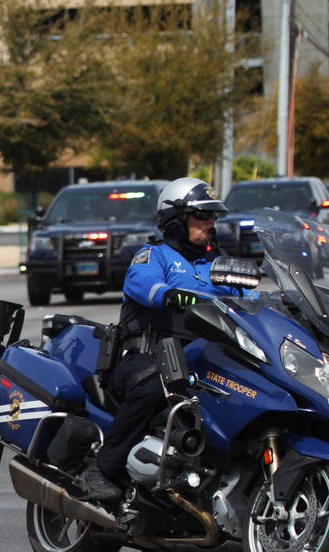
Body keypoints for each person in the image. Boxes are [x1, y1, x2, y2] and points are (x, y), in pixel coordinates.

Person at [81, 177, 249, 502]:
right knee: (156, 386)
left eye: (213, 217)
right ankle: (102, 468)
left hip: (203, 358)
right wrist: (171, 295)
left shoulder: (219, 264)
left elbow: (250, 298)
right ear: (176, 221)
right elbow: (145, 285)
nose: (210, 224)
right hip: (148, 357)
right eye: (202, 217)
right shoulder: (153, 256)